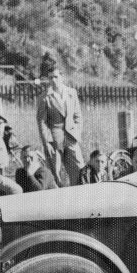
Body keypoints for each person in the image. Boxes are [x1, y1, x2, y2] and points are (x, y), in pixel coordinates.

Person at [36, 58, 85, 186]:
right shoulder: (44, 97)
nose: (53, 80)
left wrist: (77, 131)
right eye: (50, 77)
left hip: (71, 136)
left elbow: (77, 115)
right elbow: (42, 122)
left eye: (56, 77)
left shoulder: (71, 93)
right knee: (56, 174)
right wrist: (47, 142)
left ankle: (80, 195)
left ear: (62, 77)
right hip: (54, 140)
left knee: (79, 169)